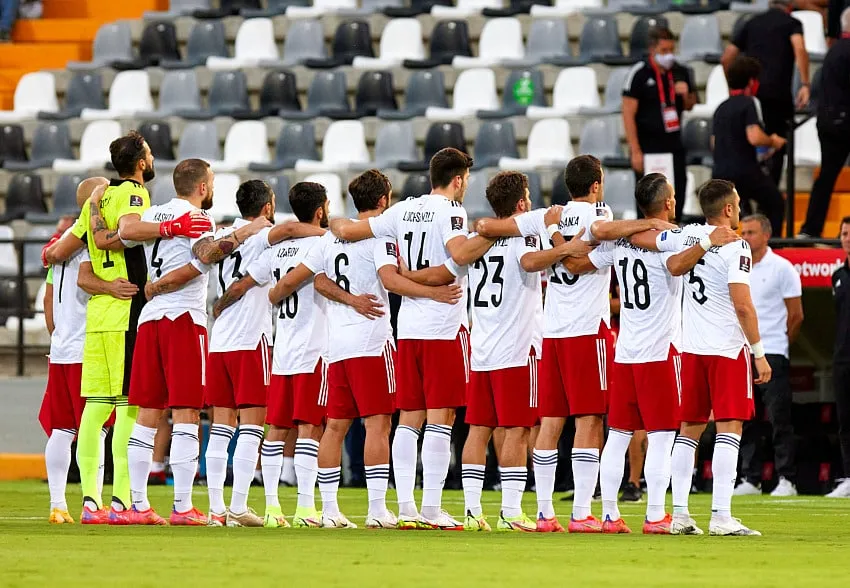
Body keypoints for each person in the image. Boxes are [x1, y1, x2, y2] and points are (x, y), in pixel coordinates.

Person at [476, 155, 676, 533]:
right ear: (596, 184)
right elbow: (593, 242)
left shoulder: (545, 216)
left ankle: (544, 512)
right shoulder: (598, 214)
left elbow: (488, 225)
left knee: (551, 421)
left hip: (552, 332)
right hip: (586, 330)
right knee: (589, 419)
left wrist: (554, 232)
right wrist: (649, 222)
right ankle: (582, 512)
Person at [273, 169, 463, 528]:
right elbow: (391, 281)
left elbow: (319, 281)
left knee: (335, 427)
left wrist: (348, 299)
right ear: (383, 200)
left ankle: (330, 511)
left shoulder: (332, 237)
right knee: (378, 424)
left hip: (336, 346)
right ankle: (377, 509)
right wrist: (433, 292)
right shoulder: (381, 235)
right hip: (372, 343)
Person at [43, 133, 213, 524]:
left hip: (98, 316)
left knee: (94, 409)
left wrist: (92, 215)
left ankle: (90, 503)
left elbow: (65, 254)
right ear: (140, 163)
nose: (152, 159)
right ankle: (124, 502)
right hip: (127, 311)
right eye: (149, 154)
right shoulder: (135, 195)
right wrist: (171, 228)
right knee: (129, 408)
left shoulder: (98, 200)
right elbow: (129, 231)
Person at [565, 174, 739, 534]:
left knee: (618, 435)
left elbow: (578, 264)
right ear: (669, 203)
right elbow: (677, 264)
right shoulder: (673, 238)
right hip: (661, 350)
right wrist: (706, 241)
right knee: (661, 435)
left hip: (626, 350)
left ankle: (609, 514)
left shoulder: (620, 240)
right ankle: (656, 514)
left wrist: (563, 242)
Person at [330, 150, 494, 530]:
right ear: (457, 180)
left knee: (409, 418)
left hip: (408, 328)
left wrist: (335, 222)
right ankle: (432, 509)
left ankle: (406, 508)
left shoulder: (401, 211)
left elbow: (348, 231)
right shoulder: (451, 211)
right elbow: (458, 255)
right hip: (443, 326)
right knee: (441, 417)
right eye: (466, 180)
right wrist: (492, 232)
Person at [123, 159, 274, 525]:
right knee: (186, 413)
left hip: (150, 321)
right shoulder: (199, 219)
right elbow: (203, 258)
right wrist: (245, 232)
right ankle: (182, 506)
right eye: (212, 182)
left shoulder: (154, 213)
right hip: (183, 320)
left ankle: (138, 504)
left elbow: (124, 232)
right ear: (203, 187)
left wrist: (152, 287)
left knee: (147, 414)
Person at [632, 179, 772, 536]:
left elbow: (641, 240)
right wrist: (759, 353)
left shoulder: (688, 234)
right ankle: (721, 516)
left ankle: (680, 514)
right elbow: (743, 305)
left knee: (689, 431)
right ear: (728, 208)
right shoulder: (736, 246)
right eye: (737, 204)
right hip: (726, 349)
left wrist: (651, 225)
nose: (739, 209)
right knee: (729, 428)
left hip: (692, 350)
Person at [236, 182, 363, 528]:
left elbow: (259, 287)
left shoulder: (277, 249)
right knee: (310, 427)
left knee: (276, 429)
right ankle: (307, 508)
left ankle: (272, 509)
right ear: (321, 211)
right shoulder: (325, 243)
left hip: (283, 351)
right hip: (315, 349)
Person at [202, 180, 324, 527]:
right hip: (250, 340)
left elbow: (235, 284)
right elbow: (288, 229)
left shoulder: (224, 234)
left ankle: (216, 510)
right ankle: (239, 505)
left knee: (221, 427)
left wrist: (219, 307)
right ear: (267, 207)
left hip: (219, 342)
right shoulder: (260, 235)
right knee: (252, 427)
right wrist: (329, 234)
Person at [40, 182, 132, 524]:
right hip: (88, 346)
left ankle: (58, 504)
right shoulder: (91, 241)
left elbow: (48, 299)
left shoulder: (60, 245)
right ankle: (93, 503)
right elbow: (86, 280)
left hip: (62, 348)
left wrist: (57, 337)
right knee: (98, 430)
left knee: (62, 429)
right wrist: (110, 287)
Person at [735, 214, 803, 497]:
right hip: (743, 352)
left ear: (766, 235)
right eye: (743, 232)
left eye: (751, 232)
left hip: (773, 351)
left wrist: (780, 343)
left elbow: (796, 315)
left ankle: (786, 478)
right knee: (745, 418)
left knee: (779, 418)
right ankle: (750, 478)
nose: (745, 237)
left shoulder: (783, 268)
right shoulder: (738, 265)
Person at [722, 0, 810, 187]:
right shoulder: (791, 23)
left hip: (751, 95)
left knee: (747, 146)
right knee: (777, 148)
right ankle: (770, 194)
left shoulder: (751, 22)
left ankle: (746, 196)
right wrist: (805, 84)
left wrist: (733, 86)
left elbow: (727, 57)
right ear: (789, 7)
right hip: (778, 96)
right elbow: (800, 49)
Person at [622, 25, 697, 222]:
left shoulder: (681, 71)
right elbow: (628, 112)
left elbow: (690, 105)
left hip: (673, 145)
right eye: (664, 51)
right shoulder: (639, 72)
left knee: (676, 194)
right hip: (648, 147)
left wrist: (686, 94)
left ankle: (674, 230)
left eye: (671, 50)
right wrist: (635, 150)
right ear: (652, 50)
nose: (669, 55)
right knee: (647, 197)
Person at [711, 55, 787, 236]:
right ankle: (773, 244)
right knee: (775, 202)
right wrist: (772, 141)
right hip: (745, 171)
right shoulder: (749, 103)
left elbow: (713, 142)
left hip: (720, 173)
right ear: (751, 81)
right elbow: (754, 136)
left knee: (736, 209)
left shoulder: (721, 108)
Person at [800, 8, 850, 238]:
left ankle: (810, 228)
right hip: (845, 122)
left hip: (828, 121)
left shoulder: (835, 50)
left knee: (826, 178)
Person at [828, 216, 850, 497]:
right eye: (844, 233)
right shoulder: (838, 276)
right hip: (843, 357)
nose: (847, 238)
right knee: (845, 420)